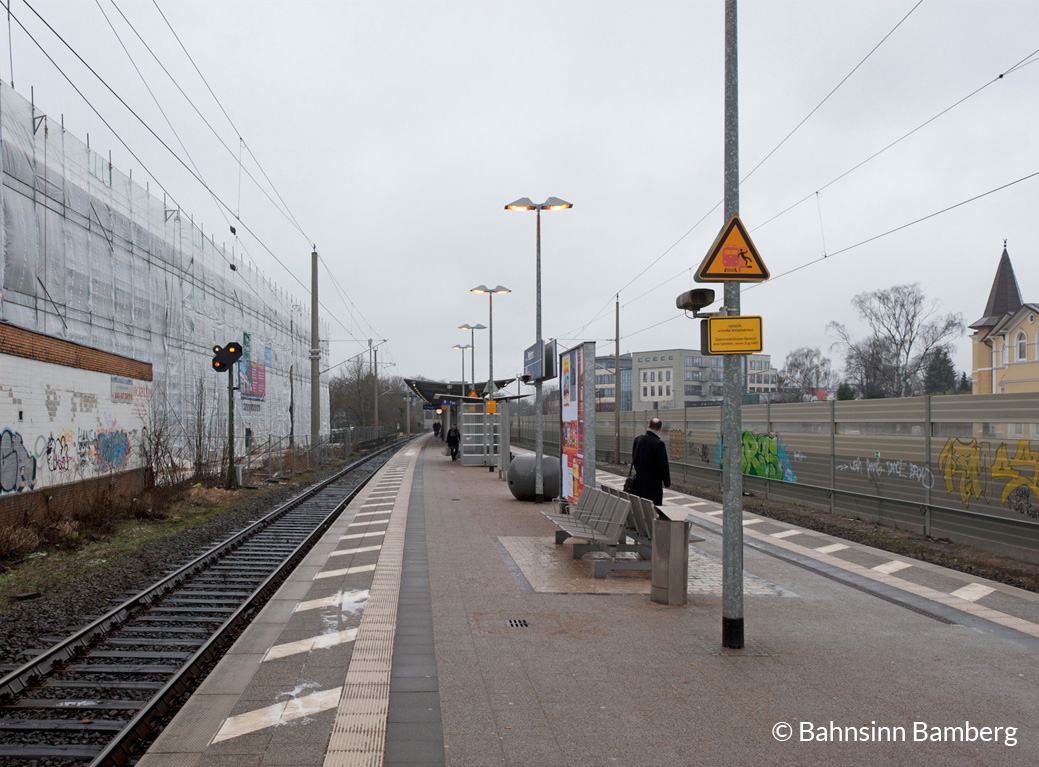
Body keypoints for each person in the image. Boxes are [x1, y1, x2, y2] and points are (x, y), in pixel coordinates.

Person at [630, 417, 670, 506]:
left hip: (638, 483)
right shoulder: (659, 444)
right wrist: (667, 482)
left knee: (639, 509)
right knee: (653, 509)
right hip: (653, 485)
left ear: (648, 426)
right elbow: (662, 465)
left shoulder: (638, 440)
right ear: (660, 429)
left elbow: (634, 458)